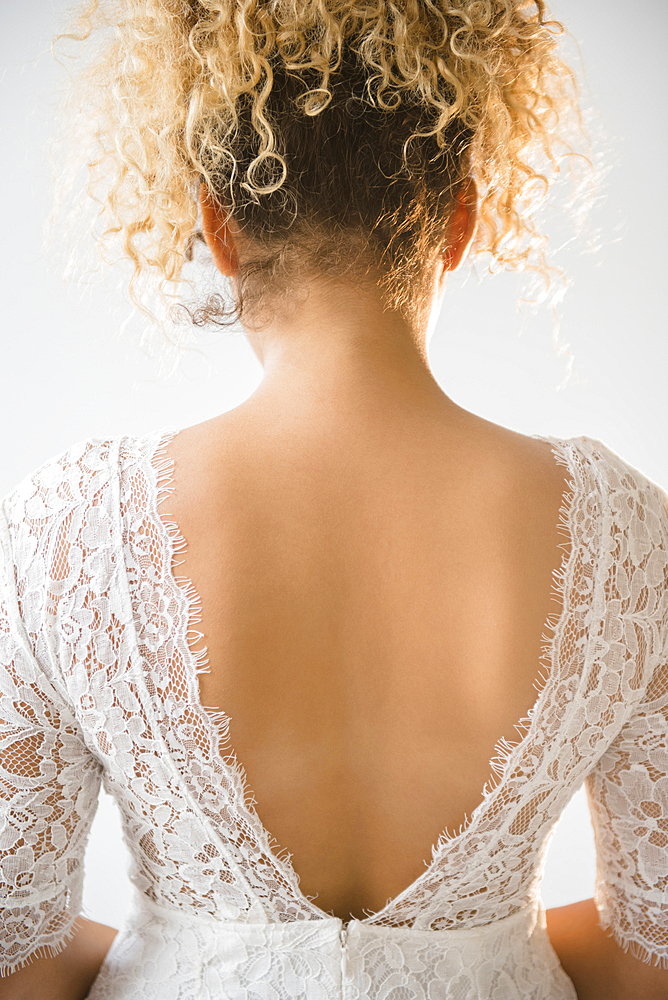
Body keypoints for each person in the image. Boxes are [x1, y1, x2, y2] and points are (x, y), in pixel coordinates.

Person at [1, 1, 666, 998]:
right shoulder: (626, 531)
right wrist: (477, 958)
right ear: (460, 220)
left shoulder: (67, 526)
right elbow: (646, 954)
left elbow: (20, 956)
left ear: (217, 228)